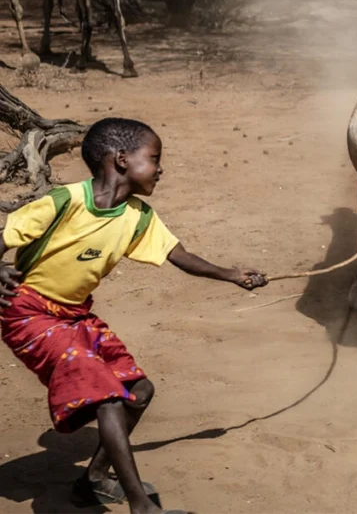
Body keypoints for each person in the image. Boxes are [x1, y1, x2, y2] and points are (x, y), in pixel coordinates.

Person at [0, 117, 267, 514]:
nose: (161, 169)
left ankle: (91, 481)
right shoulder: (65, 201)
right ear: (122, 159)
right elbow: (5, 233)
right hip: (28, 313)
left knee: (138, 392)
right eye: (155, 158)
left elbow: (180, 257)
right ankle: (142, 507)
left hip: (74, 315)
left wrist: (232, 274)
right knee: (109, 399)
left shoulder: (138, 216)